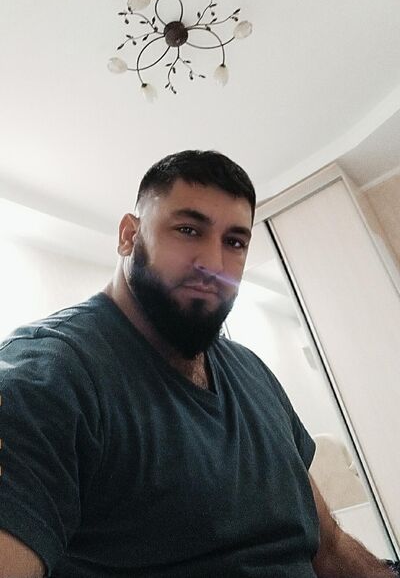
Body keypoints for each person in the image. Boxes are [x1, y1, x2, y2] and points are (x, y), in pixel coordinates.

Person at [0, 150, 395, 578]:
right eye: (188, 230)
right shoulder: (45, 377)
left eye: (235, 242)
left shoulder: (252, 370)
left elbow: (330, 547)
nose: (214, 264)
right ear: (129, 236)